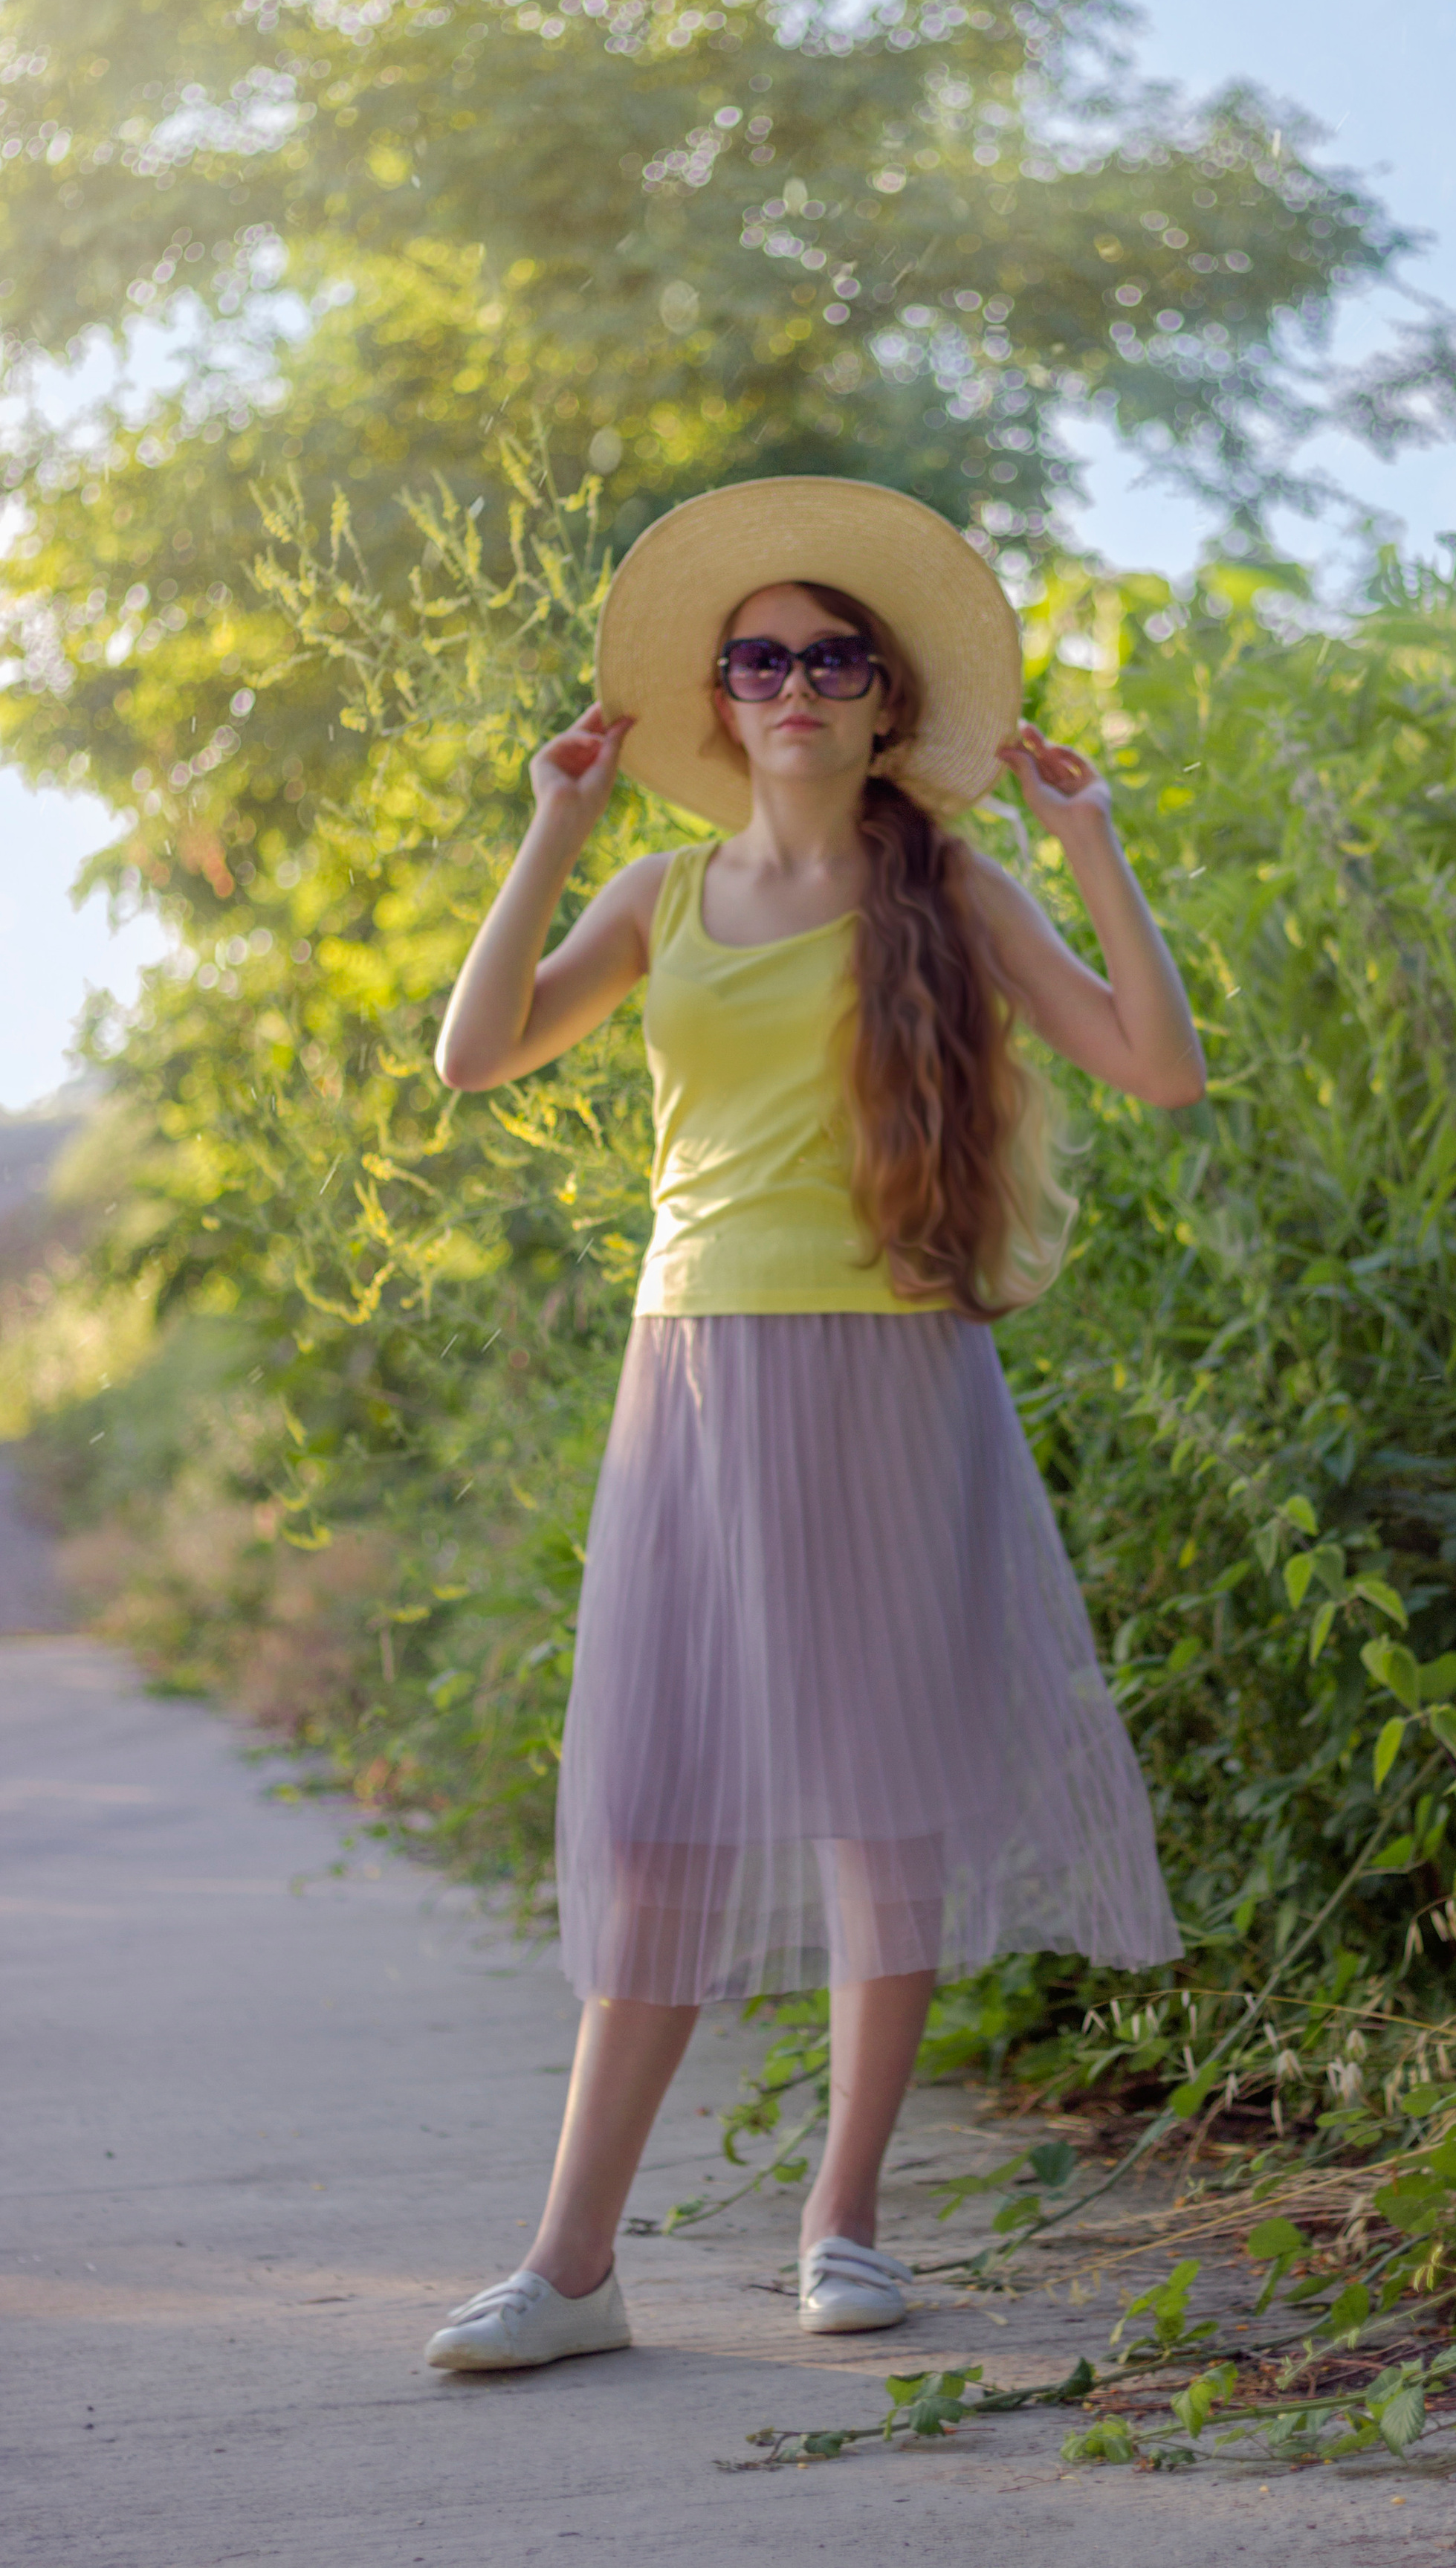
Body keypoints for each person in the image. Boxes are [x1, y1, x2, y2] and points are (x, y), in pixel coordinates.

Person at [422, 476, 1201, 2372]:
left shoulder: (950, 887)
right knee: (659, 1815)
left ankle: (842, 2225)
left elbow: (1156, 1071)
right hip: (689, 1372)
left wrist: (1088, 845)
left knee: (877, 1808)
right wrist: (552, 824)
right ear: (720, 700)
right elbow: (472, 1049)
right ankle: (573, 2265)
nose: (789, 682)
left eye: (826, 658)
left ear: (877, 702)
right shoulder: (655, 893)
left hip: (887, 1367)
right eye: (755, 656)